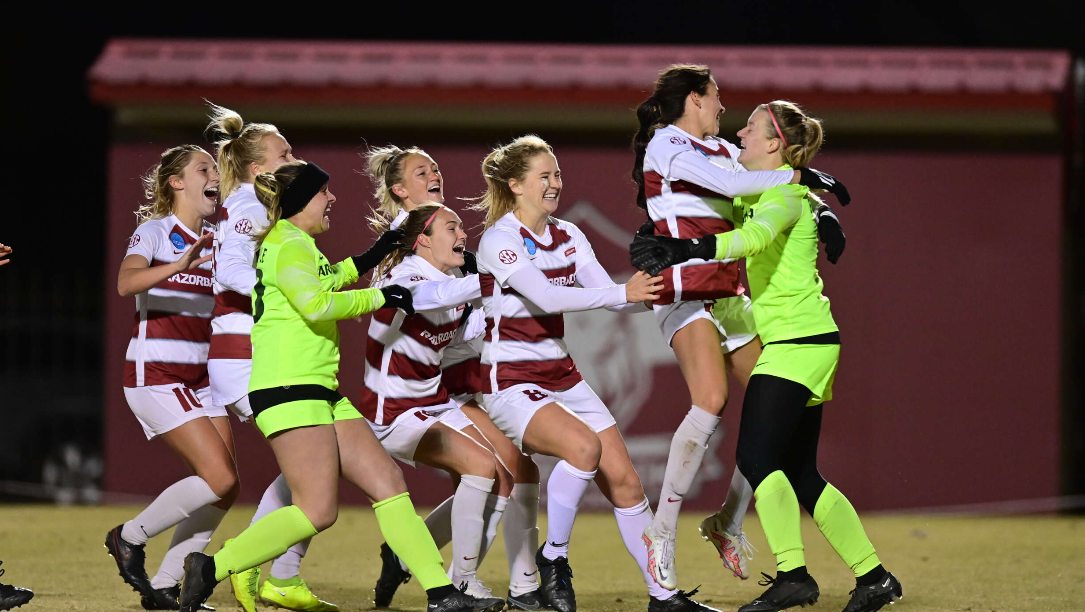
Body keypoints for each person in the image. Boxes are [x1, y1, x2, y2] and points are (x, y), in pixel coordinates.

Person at [177, 160, 500, 612]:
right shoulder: (287, 244)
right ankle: (212, 567)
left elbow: (326, 280)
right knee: (317, 511)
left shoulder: (297, 243)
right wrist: (381, 295)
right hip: (289, 388)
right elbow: (314, 304)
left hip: (318, 388)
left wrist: (372, 256)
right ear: (302, 201)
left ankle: (442, 594)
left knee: (388, 482)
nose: (332, 199)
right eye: (324, 193)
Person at [630, 101, 902, 612]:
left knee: (757, 459)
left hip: (797, 346)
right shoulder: (775, 192)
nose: (740, 134)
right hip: (807, 344)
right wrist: (665, 233)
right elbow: (724, 213)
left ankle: (794, 575)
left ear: (774, 143)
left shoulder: (784, 196)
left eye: (751, 129)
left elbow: (752, 237)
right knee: (802, 473)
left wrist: (686, 253)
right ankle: (875, 577)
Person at [472, 135, 718, 612]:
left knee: (626, 483)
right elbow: (548, 298)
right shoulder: (499, 239)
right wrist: (622, 295)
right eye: (544, 176)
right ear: (515, 184)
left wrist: (658, 284)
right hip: (511, 383)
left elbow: (609, 296)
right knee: (584, 449)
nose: (555, 183)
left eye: (557, 174)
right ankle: (554, 560)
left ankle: (664, 597)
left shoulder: (568, 233)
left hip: (562, 376)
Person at [365, 146, 544, 611]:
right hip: (393, 413)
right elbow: (418, 303)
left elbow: (464, 341)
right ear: (421, 240)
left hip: (435, 400)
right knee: (483, 471)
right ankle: (458, 585)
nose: (463, 234)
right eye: (452, 228)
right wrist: (495, 277)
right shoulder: (404, 278)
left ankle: (427, 564)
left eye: (462, 226)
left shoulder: (452, 284)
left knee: (506, 477)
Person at [204, 102, 337, 612]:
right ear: (260, 168)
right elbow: (232, 271)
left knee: (318, 465)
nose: (294, 158)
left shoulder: (260, 206)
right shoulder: (251, 207)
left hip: (254, 352)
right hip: (247, 355)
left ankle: (270, 569)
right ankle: (254, 566)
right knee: (320, 464)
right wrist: (283, 285)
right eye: (285, 153)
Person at [107, 144, 234, 611]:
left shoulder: (220, 238)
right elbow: (126, 282)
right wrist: (178, 265)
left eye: (217, 170)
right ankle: (128, 536)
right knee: (218, 477)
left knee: (226, 488)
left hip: (201, 378)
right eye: (204, 169)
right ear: (177, 182)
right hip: (155, 375)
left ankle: (165, 585)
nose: (214, 177)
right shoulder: (157, 231)